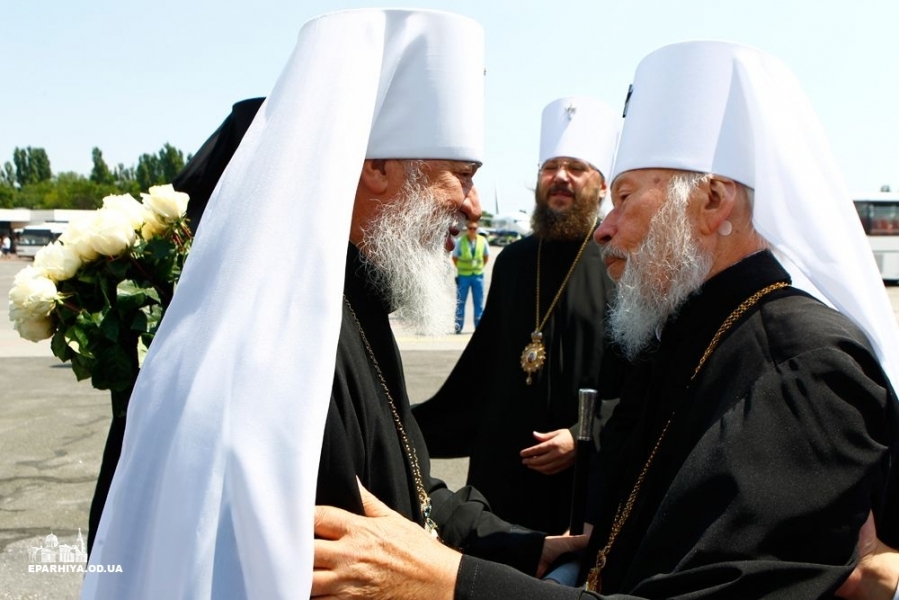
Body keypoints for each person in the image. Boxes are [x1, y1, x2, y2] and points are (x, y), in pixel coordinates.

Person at [312, 40, 899, 599]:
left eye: (623, 197)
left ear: (713, 201)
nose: (605, 228)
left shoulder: (803, 373)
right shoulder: (693, 337)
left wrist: (453, 583)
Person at [82, 10, 578, 599]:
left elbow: (409, 492)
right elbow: (341, 563)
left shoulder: (355, 302)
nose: (473, 207)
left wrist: (524, 548)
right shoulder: (284, 338)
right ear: (376, 168)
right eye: (462, 175)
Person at [413, 96, 621, 535]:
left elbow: (643, 381)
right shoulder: (514, 262)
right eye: (550, 167)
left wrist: (585, 435)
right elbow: (481, 370)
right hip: (503, 477)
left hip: (578, 483)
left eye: (576, 167)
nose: (560, 177)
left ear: (601, 186)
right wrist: (397, 423)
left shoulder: (621, 265)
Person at [453, 217, 489, 333]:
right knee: (460, 302)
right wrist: (461, 268)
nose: (472, 230)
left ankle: (478, 328)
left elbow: (486, 256)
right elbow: (455, 257)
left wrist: (480, 267)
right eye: (470, 228)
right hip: (464, 275)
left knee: (478, 302)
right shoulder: (460, 241)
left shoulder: (483, 241)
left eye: (474, 228)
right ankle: (458, 326)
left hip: (477, 275)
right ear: (467, 229)